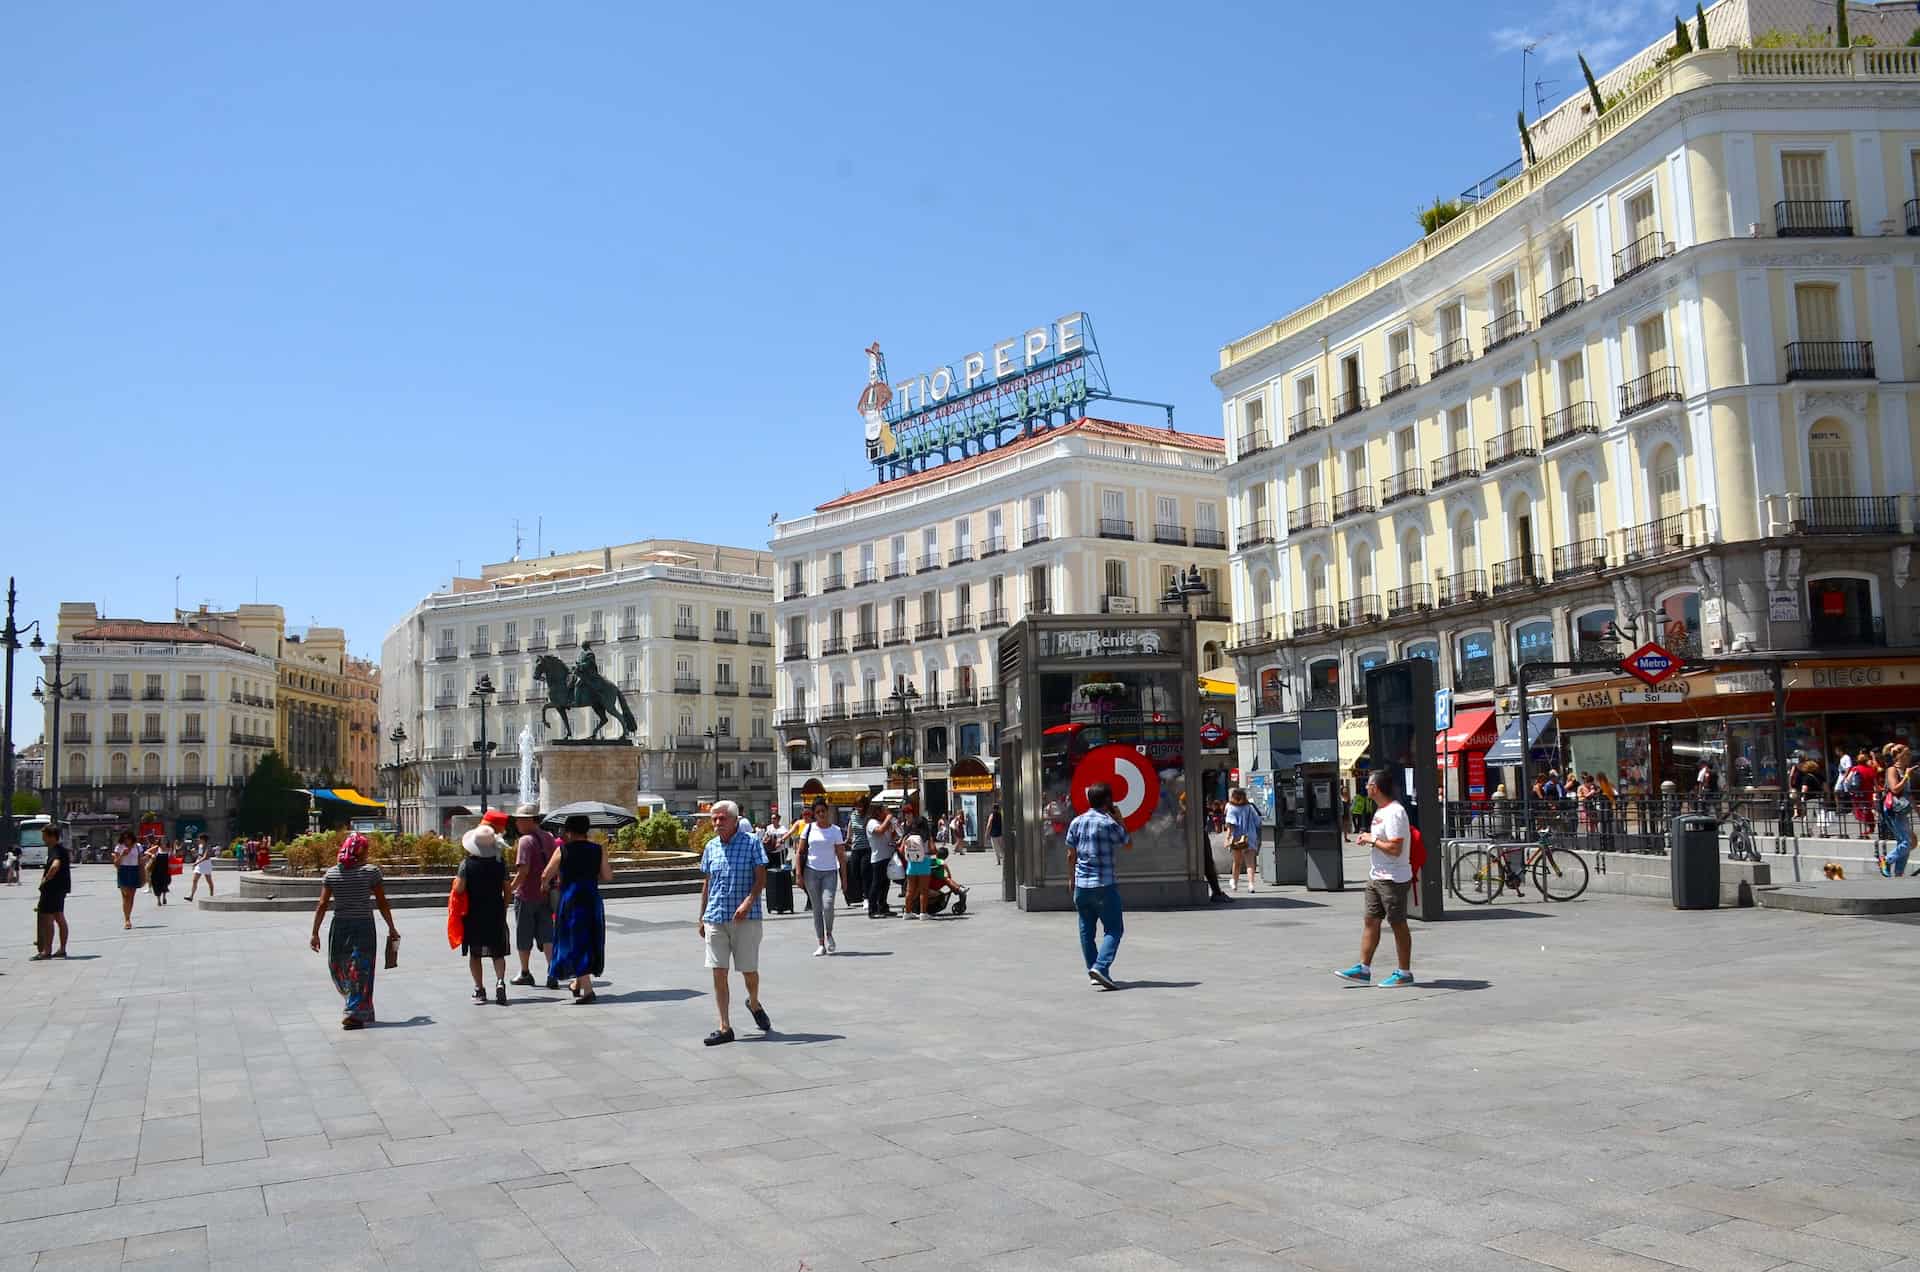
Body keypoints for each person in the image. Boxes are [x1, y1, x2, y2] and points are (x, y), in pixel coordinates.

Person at [697, 800, 770, 1045]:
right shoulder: (710, 847)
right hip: (716, 917)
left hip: (745, 919)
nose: (717, 823)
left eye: (722, 818)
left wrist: (748, 902)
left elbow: (761, 879)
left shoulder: (752, 843)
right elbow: (707, 884)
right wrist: (701, 917)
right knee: (718, 972)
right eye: (714, 819)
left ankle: (754, 1002)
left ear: (735, 820)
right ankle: (725, 1026)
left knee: (748, 971)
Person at [1335, 770, 1414, 988]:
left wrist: (1372, 839)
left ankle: (1404, 972)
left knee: (1398, 923)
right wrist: (1370, 839)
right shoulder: (1381, 810)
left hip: (1393, 877)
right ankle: (1363, 968)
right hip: (1376, 875)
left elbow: (1395, 848)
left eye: (1368, 784)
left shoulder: (1395, 812)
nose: (1366, 787)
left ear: (1376, 788)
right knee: (1371, 920)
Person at [309, 834, 398, 1029]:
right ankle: (357, 1006)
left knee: (344, 966)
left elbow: (322, 904)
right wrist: (391, 927)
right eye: (366, 850)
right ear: (361, 851)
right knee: (357, 967)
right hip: (363, 926)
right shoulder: (370, 872)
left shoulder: (333, 873)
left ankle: (354, 1011)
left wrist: (315, 932)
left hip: (340, 927)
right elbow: (382, 902)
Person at [1066, 782, 1130, 990]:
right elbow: (1127, 843)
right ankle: (1101, 967)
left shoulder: (1076, 822)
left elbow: (1070, 854)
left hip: (1082, 885)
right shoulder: (1108, 823)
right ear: (1108, 801)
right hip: (1104, 884)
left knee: (1086, 931)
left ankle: (1094, 971)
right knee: (1114, 929)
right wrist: (1119, 819)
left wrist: (1071, 880)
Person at [542, 813, 610, 1003]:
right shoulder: (598, 849)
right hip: (591, 899)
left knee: (574, 941)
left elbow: (546, 874)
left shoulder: (563, 850)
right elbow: (607, 876)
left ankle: (588, 990)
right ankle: (578, 983)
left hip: (571, 900)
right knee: (587, 939)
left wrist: (546, 885)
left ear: (570, 832)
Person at [455, 825, 513, 1004]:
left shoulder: (467, 864)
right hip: (495, 910)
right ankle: (500, 981)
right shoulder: (500, 863)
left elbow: (459, 889)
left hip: (474, 912)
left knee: (475, 953)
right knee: (498, 951)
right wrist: (503, 907)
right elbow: (507, 890)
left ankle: (479, 988)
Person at [509, 803, 559, 989]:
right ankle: (551, 971)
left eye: (520, 820)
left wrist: (511, 889)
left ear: (530, 820)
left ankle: (524, 972)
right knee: (547, 935)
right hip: (545, 895)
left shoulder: (525, 841)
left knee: (524, 934)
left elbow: (523, 870)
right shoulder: (549, 838)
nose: (517, 824)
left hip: (527, 895)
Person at [798, 799, 845, 955]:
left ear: (827, 811)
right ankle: (820, 943)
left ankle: (829, 933)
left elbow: (841, 856)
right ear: (814, 814)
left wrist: (844, 879)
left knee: (828, 904)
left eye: (823, 811)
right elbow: (800, 852)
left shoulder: (835, 831)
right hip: (811, 872)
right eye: (817, 812)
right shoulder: (809, 829)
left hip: (830, 872)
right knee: (817, 908)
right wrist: (799, 874)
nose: (821, 814)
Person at [31, 822, 70, 960]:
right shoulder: (60, 850)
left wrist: (45, 880)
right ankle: (62, 949)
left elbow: (55, 866)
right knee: (59, 917)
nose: (43, 839)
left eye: (44, 836)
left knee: (48, 919)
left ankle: (47, 951)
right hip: (60, 889)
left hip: (52, 889)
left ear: (52, 836)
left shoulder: (56, 850)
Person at [1882, 744, 1912, 877]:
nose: (1909, 757)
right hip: (1894, 809)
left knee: (1904, 843)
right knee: (1907, 843)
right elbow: (1894, 789)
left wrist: (1917, 809)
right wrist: (1906, 777)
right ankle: (1886, 860)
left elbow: (1908, 794)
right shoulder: (1892, 770)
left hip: (1902, 809)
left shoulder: (1905, 770)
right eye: (1907, 754)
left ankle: (1899, 873)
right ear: (1899, 756)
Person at [901, 804, 936, 919]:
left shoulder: (906, 828)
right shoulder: (924, 831)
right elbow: (931, 846)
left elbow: (902, 849)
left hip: (911, 861)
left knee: (910, 890)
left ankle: (907, 912)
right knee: (923, 889)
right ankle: (923, 913)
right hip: (923, 860)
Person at [1224, 786, 1261, 894]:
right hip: (1250, 837)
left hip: (1237, 838)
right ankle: (1251, 885)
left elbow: (1231, 825)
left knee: (1237, 862)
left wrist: (1227, 839)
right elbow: (1257, 822)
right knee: (1250, 863)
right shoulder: (1249, 807)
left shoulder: (1231, 808)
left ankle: (1234, 883)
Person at [866, 802, 898, 918]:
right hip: (878, 858)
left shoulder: (884, 822)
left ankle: (883, 906)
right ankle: (872, 909)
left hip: (887, 857)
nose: (886, 813)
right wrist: (888, 818)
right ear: (877, 812)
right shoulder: (872, 823)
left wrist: (893, 828)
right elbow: (879, 831)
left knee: (885, 884)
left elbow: (891, 836)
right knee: (876, 884)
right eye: (884, 811)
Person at [111, 830, 143, 931]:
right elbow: (116, 863)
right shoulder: (119, 847)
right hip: (123, 870)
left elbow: (140, 860)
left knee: (131, 896)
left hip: (134, 870)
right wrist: (122, 855)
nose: (126, 840)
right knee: (125, 896)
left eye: (128, 838)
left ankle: (128, 916)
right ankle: (127, 920)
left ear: (131, 838)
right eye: (124, 838)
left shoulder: (137, 846)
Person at [187, 833, 217, 900]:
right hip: (199, 863)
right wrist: (193, 852)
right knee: (194, 880)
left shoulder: (208, 846)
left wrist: (195, 863)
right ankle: (191, 896)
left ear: (203, 839)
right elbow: (199, 855)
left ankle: (211, 896)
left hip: (206, 864)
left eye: (199, 838)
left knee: (209, 881)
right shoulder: (200, 846)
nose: (198, 839)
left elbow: (205, 857)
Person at [149, 838, 173, 907]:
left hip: (165, 870)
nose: (164, 842)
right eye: (162, 841)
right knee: (156, 884)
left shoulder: (169, 849)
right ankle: (158, 900)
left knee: (165, 883)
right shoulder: (156, 848)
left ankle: (164, 897)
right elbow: (146, 852)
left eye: (165, 840)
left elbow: (172, 857)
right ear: (160, 842)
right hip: (156, 870)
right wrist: (152, 855)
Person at [987, 803, 1004, 868]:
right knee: (1001, 847)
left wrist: (987, 833)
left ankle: (998, 861)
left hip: (994, 834)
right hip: (1000, 833)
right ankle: (1004, 860)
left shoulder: (992, 815)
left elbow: (989, 824)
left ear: (993, 808)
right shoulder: (1000, 815)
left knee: (996, 848)